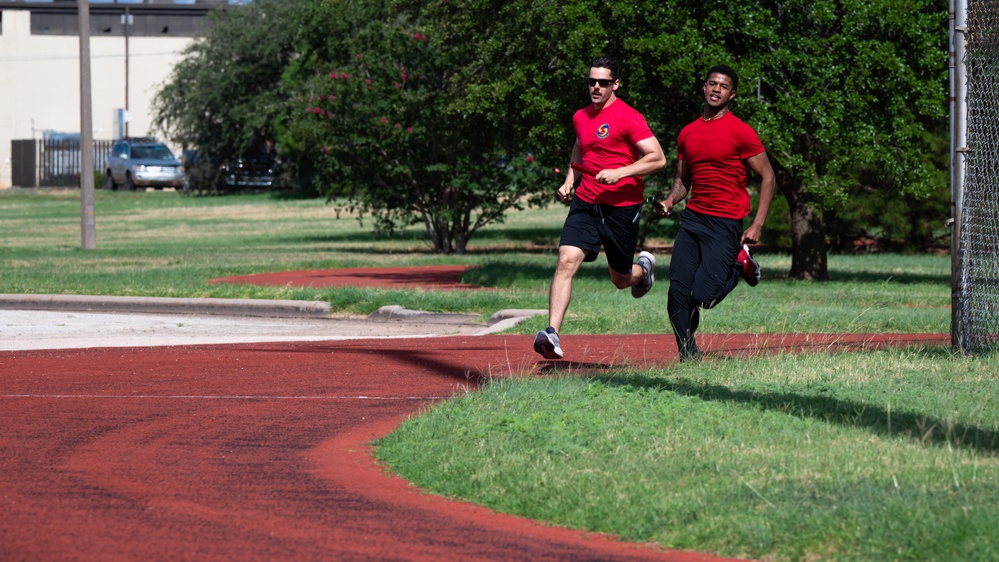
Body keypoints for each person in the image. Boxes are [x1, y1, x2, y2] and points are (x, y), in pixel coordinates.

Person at [534, 56, 667, 360]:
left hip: (622, 206)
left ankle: (643, 271)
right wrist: (571, 180)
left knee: (620, 280)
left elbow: (658, 159)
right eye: (591, 81)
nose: (595, 87)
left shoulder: (629, 117)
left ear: (615, 85)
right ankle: (551, 334)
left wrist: (620, 172)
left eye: (603, 82)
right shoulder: (581, 116)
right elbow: (581, 147)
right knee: (566, 260)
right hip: (587, 201)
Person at [653, 64, 776, 362]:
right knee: (677, 291)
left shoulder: (741, 132)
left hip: (725, 223)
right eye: (712, 84)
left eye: (723, 86)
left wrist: (757, 224)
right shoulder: (688, 133)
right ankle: (688, 354)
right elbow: (684, 180)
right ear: (704, 87)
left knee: (704, 298)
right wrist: (670, 200)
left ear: (731, 94)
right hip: (693, 219)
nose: (716, 89)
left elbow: (768, 177)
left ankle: (741, 264)